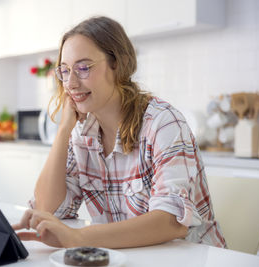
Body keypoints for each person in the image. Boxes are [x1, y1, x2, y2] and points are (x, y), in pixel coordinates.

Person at [12, 16, 226, 249]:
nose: (70, 83)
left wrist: (79, 238)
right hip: (132, 257)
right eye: (64, 71)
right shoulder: (81, 134)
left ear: (118, 65)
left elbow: (171, 222)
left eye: (83, 68)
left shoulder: (162, 123)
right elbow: (48, 209)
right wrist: (63, 130)